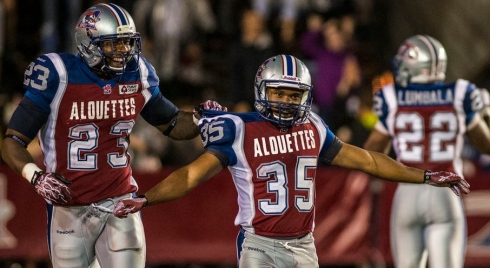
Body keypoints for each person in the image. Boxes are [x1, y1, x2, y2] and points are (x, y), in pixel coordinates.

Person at [113, 54, 470, 268]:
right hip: (258, 245)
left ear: (306, 96)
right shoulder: (239, 129)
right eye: (279, 92)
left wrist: (423, 176)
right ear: (261, 92)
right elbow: (191, 175)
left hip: (304, 244)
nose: (285, 101)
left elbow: (368, 161)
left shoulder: (313, 125)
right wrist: (148, 198)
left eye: (293, 93)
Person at [0, 3, 225, 268]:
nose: (124, 52)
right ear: (88, 42)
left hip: (119, 202)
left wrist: (199, 118)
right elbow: (12, 141)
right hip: (69, 206)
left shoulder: (137, 73)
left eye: (127, 44)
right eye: (113, 45)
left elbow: (173, 123)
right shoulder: (57, 75)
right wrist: (35, 176)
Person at [363, 35, 490, 268]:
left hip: (408, 191)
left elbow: (371, 152)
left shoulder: (392, 97)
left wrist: (394, 132)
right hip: (447, 191)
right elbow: (486, 145)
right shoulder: (460, 93)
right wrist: (485, 113)